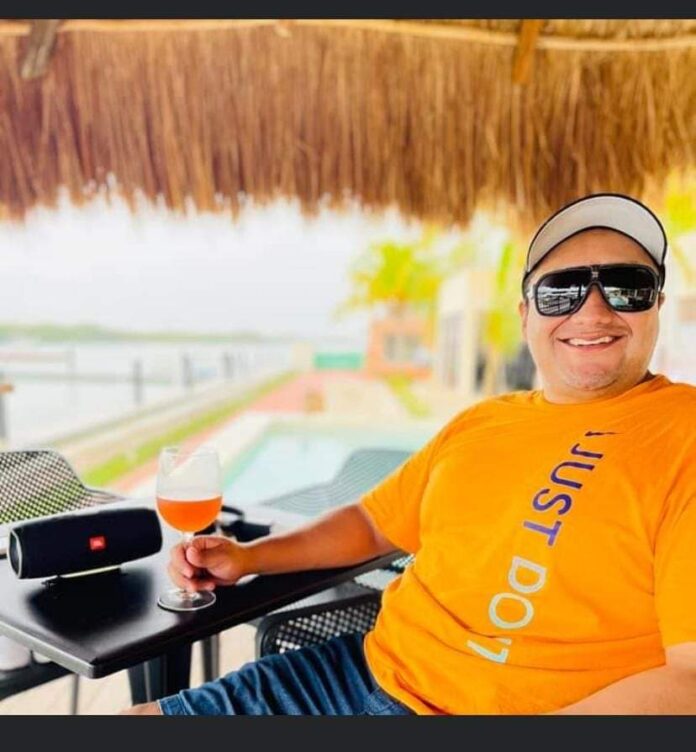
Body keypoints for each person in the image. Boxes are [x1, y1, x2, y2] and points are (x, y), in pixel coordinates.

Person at [124, 193, 696, 715]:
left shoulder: (683, 435)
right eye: (561, 291)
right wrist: (249, 557)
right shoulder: (483, 421)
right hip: (360, 673)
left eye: (626, 287)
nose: (593, 311)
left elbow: (689, 679)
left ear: (656, 307)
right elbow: (373, 522)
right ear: (527, 317)